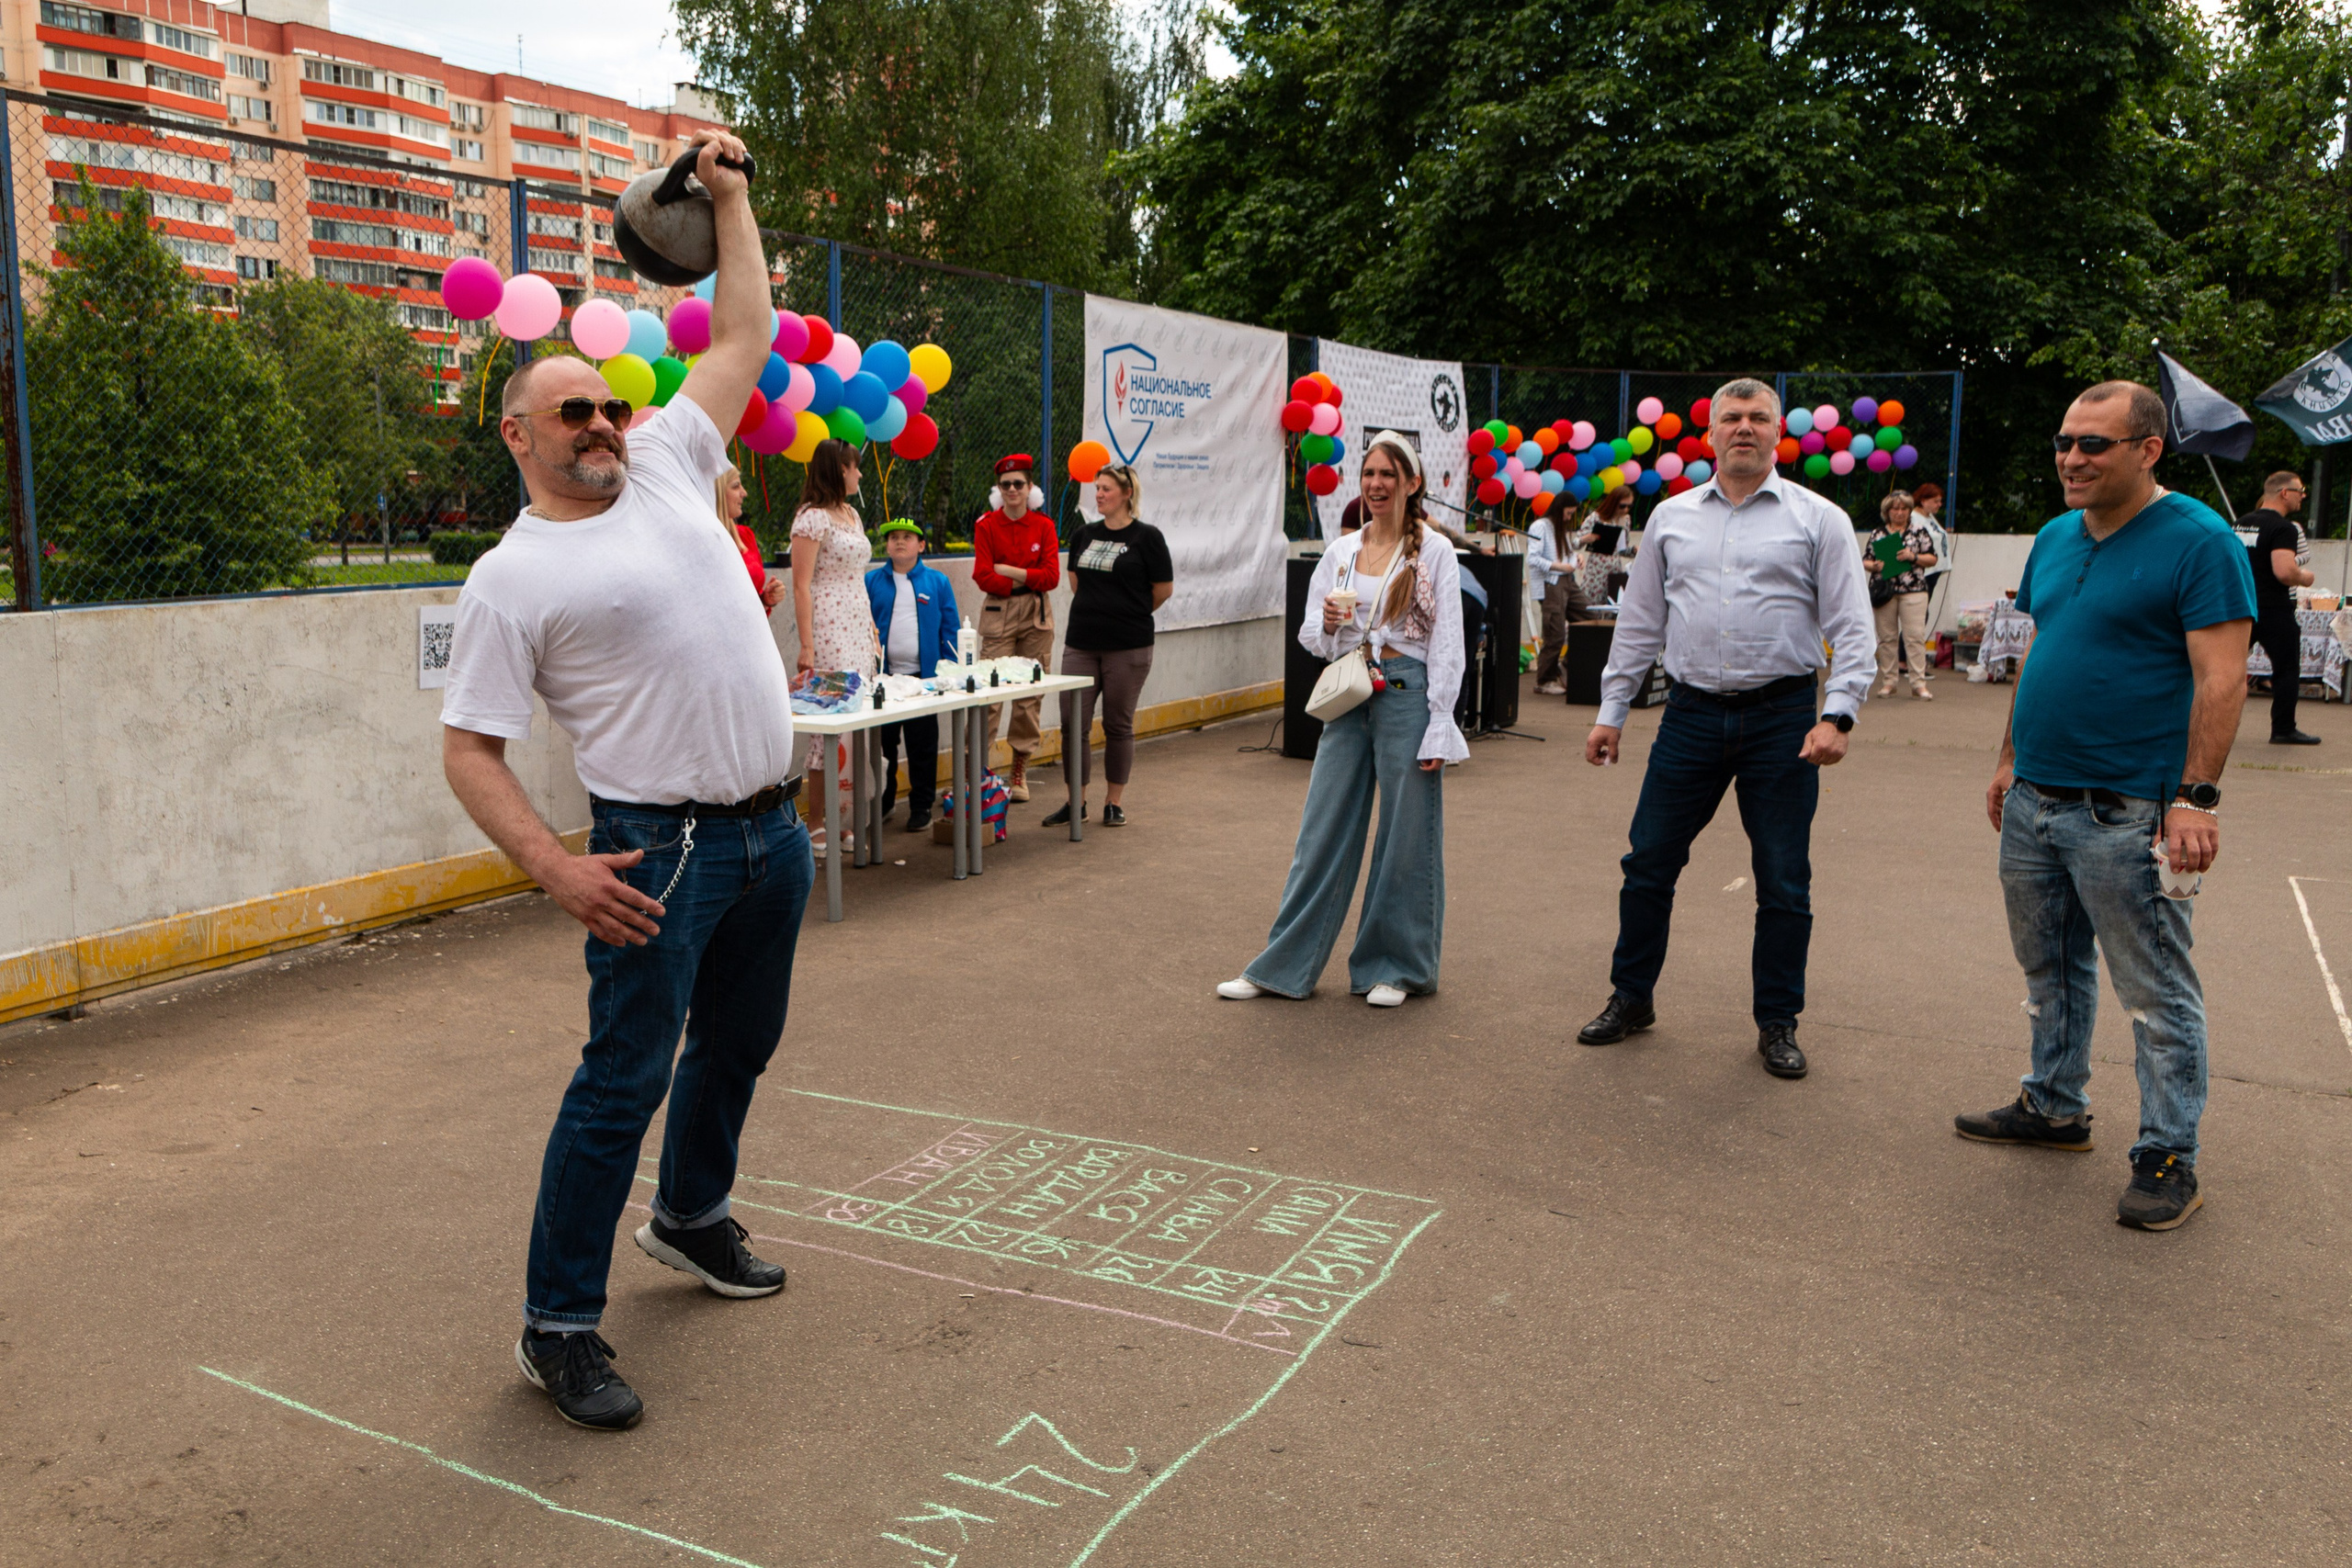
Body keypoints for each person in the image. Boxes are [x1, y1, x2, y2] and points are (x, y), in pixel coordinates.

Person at [438, 129, 805, 1432]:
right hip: (661, 853)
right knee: (619, 1081)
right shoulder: (511, 577)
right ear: (519, 434)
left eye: (607, 402)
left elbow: (745, 331)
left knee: (741, 1046)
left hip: (774, 833)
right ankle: (557, 1325)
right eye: (572, 410)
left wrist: (732, 198)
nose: (602, 422)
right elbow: (467, 747)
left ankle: (693, 1215)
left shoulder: (665, 460)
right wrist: (555, 864)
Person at [1955, 379, 2255, 1233]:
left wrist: (2196, 798)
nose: (2071, 458)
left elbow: (2222, 676)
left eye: (2094, 444)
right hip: (2036, 800)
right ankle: (2054, 1105)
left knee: (2156, 991)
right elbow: (2045, 645)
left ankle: (2169, 1156)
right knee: (2050, 966)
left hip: (2129, 810)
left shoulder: (2199, 541)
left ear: (2148, 449)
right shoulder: (2054, 536)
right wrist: (2010, 759)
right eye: (2064, 442)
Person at [1575, 378, 1874, 1080]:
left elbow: (1851, 626)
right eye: (1731, 418)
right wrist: (1610, 712)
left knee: (1783, 878)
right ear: (1709, 434)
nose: (1745, 428)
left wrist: (1839, 714)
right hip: (1691, 715)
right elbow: (1641, 623)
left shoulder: (1818, 518)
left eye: (1758, 418)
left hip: (1782, 720)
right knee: (1647, 862)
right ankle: (1632, 995)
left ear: (1779, 432)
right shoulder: (1672, 519)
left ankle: (1777, 1021)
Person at [1216, 431, 1467, 1008]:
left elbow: (1448, 639)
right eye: (1369, 475)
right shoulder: (1342, 552)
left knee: (1408, 836)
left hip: (1408, 690)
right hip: (1353, 690)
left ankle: (1396, 968)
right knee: (1321, 829)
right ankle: (1282, 967)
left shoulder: (1433, 551)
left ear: (1412, 483)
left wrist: (1440, 721)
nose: (1376, 485)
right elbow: (1312, 637)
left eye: (1388, 475)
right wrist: (1331, 622)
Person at [1045, 463, 1173, 828]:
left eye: (1106, 489)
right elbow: (1075, 581)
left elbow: (1163, 589)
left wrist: (1128, 613)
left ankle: (1113, 802)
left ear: (1127, 494)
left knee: (1118, 724)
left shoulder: (1147, 538)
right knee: (1073, 724)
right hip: (1082, 643)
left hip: (1128, 646)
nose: (1099, 494)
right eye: (1097, 488)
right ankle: (1075, 803)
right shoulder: (1083, 533)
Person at [791, 438, 882, 857]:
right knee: (829, 720)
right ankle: (815, 821)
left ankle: (844, 816)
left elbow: (858, 577)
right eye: (853, 467)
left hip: (857, 618)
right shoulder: (811, 520)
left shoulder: (851, 514)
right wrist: (807, 645)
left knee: (858, 720)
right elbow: (801, 584)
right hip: (827, 622)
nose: (859, 474)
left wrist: (870, 627)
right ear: (836, 470)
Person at [972, 454, 1061, 802]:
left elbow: (1051, 577)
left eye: (1019, 484)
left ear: (1030, 488)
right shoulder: (986, 526)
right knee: (988, 695)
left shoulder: (1044, 526)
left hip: (1037, 613)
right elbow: (982, 575)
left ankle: (1019, 770)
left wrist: (1008, 570)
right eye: (1006, 484)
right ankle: (977, 772)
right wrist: (1023, 577)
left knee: (1029, 694)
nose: (1012, 490)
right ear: (998, 489)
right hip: (999, 610)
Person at [863, 519, 961, 831]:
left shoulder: (937, 581)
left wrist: (948, 669)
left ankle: (921, 806)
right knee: (884, 746)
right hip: (885, 681)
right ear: (886, 546)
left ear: (921, 545)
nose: (899, 542)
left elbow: (950, 628)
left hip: (923, 681)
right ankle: (885, 802)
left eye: (907, 537)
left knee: (923, 746)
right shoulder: (871, 581)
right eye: (893, 538)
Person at [2248, 469, 2318, 745]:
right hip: (2274, 608)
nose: (2303, 496)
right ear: (2284, 493)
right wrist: (2306, 577)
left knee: (2225, 668)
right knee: (2286, 669)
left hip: (2241, 605)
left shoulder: (2240, 523)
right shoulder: (2283, 528)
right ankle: (2284, 728)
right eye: (2300, 491)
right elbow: (2285, 572)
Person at [1863, 489, 1938, 700]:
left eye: (1904, 508)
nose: (1899, 512)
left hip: (1914, 590)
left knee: (1915, 637)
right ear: (1887, 511)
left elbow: (1932, 559)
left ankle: (1918, 684)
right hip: (1884, 591)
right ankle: (1889, 682)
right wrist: (1875, 565)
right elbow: (1865, 560)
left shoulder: (1919, 531)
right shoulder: (1878, 533)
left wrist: (1912, 556)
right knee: (1887, 638)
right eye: (1895, 509)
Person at [1528, 503, 1589, 696]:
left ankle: (1565, 665)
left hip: (1568, 581)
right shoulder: (1540, 526)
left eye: (1572, 514)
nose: (1569, 517)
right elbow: (1533, 558)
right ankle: (1544, 680)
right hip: (1551, 582)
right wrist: (1559, 566)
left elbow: (1566, 552)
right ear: (1559, 509)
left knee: (1589, 616)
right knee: (1555, 633)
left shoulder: (1562, 528)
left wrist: (1576, 558)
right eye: (1568, 512)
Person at [716, 465, 786, 613]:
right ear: (718, 492)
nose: (744, 493)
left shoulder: (745, 535)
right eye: (736, 487)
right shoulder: (706, 541)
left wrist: (766, 600)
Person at [1576, 486, 1635, 604]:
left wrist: (1633, 550)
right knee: (1592, 606)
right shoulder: (1596, 518)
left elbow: (1622, 549)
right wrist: (1585, 539)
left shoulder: (1626, 520)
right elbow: (1574, 544)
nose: (1625, 510)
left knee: (1613, 606)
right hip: (1596, 571)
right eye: (1622, 506)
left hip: (1615, 570)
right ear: (1613, 503)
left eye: (1629, 506)